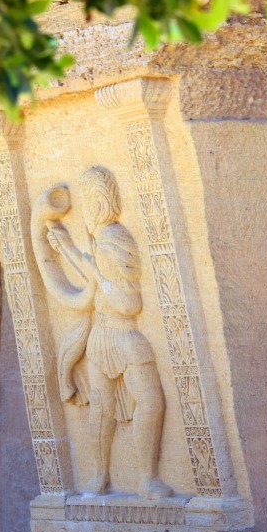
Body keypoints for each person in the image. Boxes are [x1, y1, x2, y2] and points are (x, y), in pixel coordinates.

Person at [33, 167, 172, 499]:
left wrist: (94, 269)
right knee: (101, 410)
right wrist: (65, 246)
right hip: (101, 338)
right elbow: (93, 278)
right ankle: (97, 478)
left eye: (89, 200)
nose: (87, 209)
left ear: (101, 201)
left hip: (126, 336)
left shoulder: (117, 239)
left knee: (152, 402)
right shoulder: (99, 242)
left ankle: (147, 479)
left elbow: (129, 303)